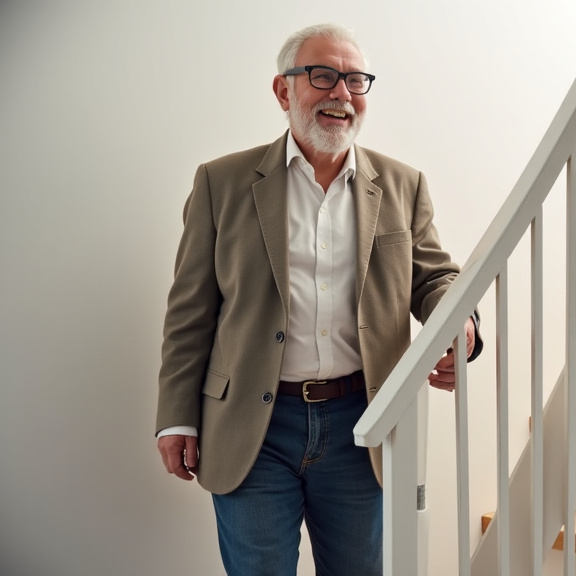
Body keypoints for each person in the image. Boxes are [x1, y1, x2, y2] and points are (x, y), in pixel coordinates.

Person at [155, 23, 481, 576]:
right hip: (252, 425)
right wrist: (175, 418)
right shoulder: (220, 182)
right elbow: (190, 311)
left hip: (364, 423)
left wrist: (460, 325)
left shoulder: (403, 184)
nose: (342, 94)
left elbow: (433, 278)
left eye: (355, 80)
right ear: (283, 91)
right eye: (323, 76)